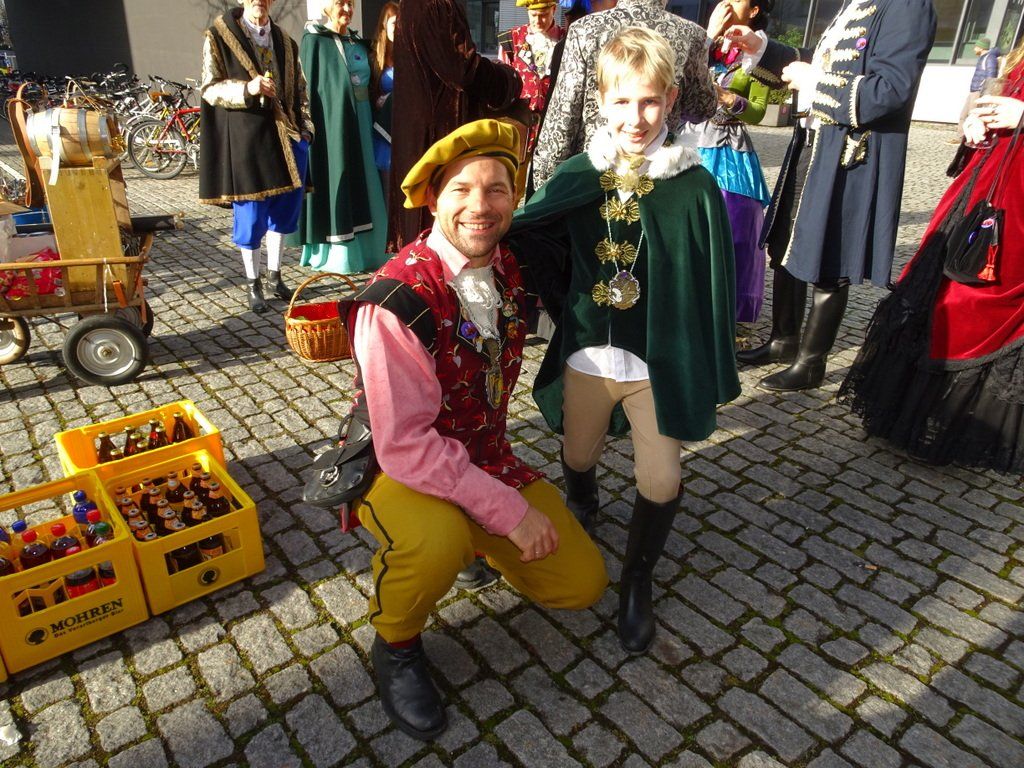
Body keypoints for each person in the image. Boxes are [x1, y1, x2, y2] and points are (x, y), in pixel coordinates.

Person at [349, 119, 607, 739]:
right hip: (396, 469)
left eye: (497, 189)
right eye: (461, 189)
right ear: (432, 198)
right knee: (434, 543)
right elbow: (405, 445)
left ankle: (472, 536)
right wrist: (508, 513)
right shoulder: (395, 299)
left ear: (515, 199)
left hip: (487, 458)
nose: (480, 206)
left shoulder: (508, 266)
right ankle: (395, 642)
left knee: (582, 584)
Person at [510, 28, 739, 652]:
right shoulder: (578, 173)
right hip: (588, 353)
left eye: (649, 102)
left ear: (671, 100)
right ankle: (582, 501)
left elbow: (711, 281)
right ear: (600, 100)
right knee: (577, 452)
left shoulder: (693, 186)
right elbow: (527, 232)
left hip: (655, 365)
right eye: (621, 101)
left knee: (661, 481)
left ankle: (637, 579)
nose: (635, 118)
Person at [726, 0, 937, 391]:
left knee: (830, 254)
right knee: (785, 240)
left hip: (849, 153)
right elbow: (824, 62)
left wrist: (816, 83)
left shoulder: (906, 6)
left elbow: (891, 89)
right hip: (815, 141)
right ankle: (784, 340)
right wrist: (762, 47)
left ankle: (811, 363)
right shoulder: (857, 5)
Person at [840, 46, 1024, 473]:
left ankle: (955, 431)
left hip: (1015, 207)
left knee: (973, 303)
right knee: (936, 290)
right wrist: (976, 124)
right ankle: (915, 418)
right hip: (985, 186)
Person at [199, 0, 313, 313]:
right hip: (247, 141)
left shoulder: (285, 41)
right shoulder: (218, 36)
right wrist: (247, 88)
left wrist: (307, 131)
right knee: (250, 215)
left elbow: (300, 90)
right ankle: (253, 282)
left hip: (288, 139)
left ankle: (275, 276)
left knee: (285, 212)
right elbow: (209, 88)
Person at [530, 0, 717, 190]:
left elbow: (562, 118)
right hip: (656, 175)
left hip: (594, 178)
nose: (634, 119)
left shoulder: (586, 29)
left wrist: (546, 187)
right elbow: (703, 108)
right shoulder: (689, 33)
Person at [385, 0, 523, 253]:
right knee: (448, 226)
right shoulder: (436, 4)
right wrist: (510, 80)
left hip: (424, 131)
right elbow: (463, 70)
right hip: (441, 134)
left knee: (433, 230)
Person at [685, 0, 773, 323]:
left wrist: (727, 98)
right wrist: (708, 36)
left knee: (736, 226)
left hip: (729, 150)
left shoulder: (760, 51)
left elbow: (758, 111)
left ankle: (729, 313)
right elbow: (681, 75)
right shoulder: (707, 41)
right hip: (691, 144)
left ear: (754, 10)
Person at [293, 1, 388, 275]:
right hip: (333, 126)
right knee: (339, 178)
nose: (347, 8)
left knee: (367, 181)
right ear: (327, 6)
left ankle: (373, 249)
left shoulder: (357, 41)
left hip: (363, 121)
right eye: (340, 3)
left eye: (350, 3)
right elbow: (312, 92)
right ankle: (341, 254)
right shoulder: (314, 42)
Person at [499, 0, 565, 157]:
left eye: (543, 15)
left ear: (554, 9)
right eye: (533, 15)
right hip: (521, 122)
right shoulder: (511, 39)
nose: (538, 21)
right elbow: (502, 82)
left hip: (554, 122)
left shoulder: (567, 39)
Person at [370, 2, 398, 198]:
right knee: (387, 196)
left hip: (404, 133)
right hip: (383, 137)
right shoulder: (373, 59)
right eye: (394, 23)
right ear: (384, 25)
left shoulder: (410, 56)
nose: (399, 28)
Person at [957, 35, 1001, 140]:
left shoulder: (989, 58)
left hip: (978, 92)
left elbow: (991, 77)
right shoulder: (983, 58)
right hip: (973, 90)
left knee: (973, 116)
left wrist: (985, 94)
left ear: (981, 47)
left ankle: (970, 139)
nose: (974, 49)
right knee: (964, 114)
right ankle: (962, 137)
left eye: (976, 46)